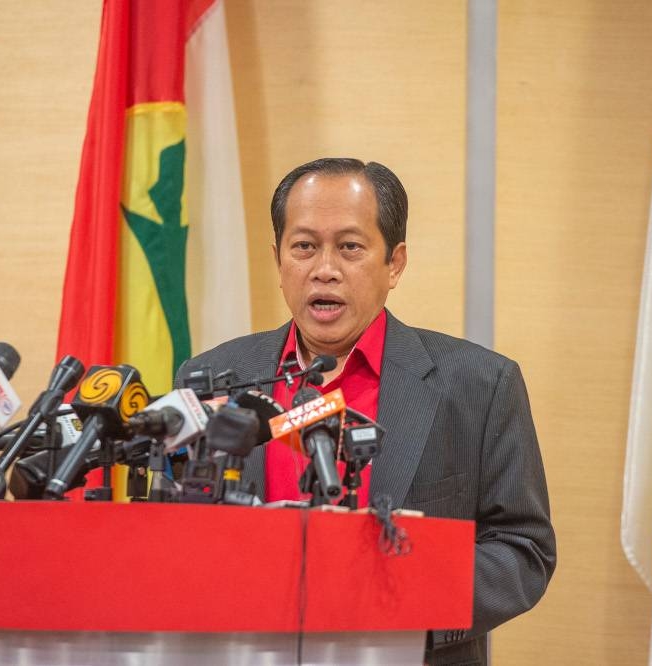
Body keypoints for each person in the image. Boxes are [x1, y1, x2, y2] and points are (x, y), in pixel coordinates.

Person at [177, 157, 556, 665]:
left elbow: (522, 549)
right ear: (278, 261)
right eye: (304, 246)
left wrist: (393, 600)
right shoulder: (212, 378)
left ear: (394, 263)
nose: (325, 269)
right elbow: (176, 535)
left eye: (350, 247)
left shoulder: (480, 385)